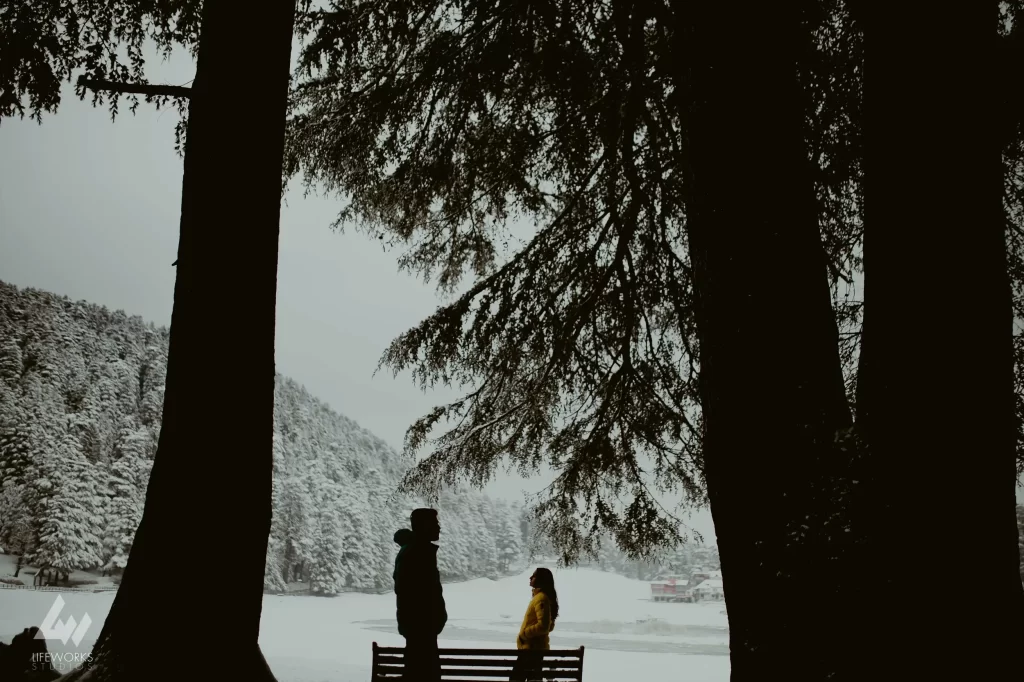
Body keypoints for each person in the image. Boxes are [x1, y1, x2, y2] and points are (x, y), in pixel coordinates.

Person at [394, 509, 447, 682]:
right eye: (435, 523)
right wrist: (435, 619)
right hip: (421, 629)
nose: (439, 527)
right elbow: (418, 594)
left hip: (421, 628)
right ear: (424, 526)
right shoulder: (417, 553)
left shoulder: (417, 551)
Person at [511, 567, 559, 682]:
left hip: (531, 651)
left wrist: (524, 634)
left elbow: (543, 626)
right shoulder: (541, 598)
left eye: (534, 576)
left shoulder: (541, 598)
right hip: (534, 650)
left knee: (515, 679)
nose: (530, 578)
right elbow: (549, 626)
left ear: (540, 579)